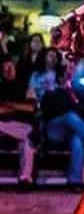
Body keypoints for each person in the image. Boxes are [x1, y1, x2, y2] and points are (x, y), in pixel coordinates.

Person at [27, 48, 84, 190]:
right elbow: (30, 96)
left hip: (66, 122)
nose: (53, 58)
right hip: (49, 123)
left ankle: (75, 181)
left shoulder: (61, 76)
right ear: (43, 57)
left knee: (77, 139)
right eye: (50, 55)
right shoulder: (36, 76)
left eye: (55, 56)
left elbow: (74, 92)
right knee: (70, 118)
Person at [0, 57, 36, 188]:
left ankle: (25, 179)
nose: (8, 71)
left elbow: (30, 108)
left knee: (27, 143)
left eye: (10, 67)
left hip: (22, 125)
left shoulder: (25, 86)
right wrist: (18, 107)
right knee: (28, 136)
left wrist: (9, 105)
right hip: (4, 126)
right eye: (5, 69)